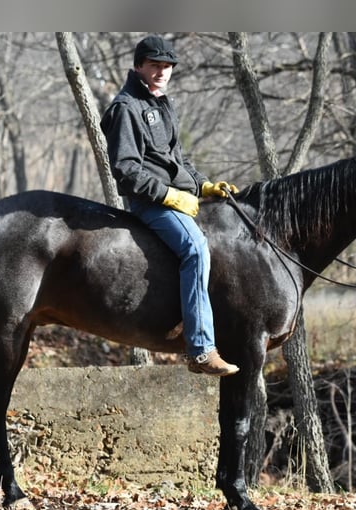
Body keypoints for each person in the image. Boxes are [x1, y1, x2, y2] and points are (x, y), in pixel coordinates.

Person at [100, 34, 240, 377]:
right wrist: (167, 195)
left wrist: (203, 184)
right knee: (195, 249)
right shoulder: (126, 108)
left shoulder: (161, 103)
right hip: (151, 203)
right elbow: (126, 169)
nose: (162, 72)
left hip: (178, 197)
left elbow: (177, 160)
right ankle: (200, 349)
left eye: (166, 66)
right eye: (155, 66)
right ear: (138, 67)